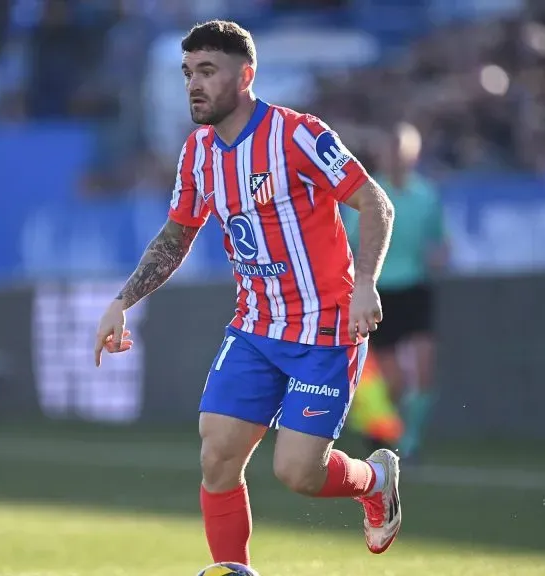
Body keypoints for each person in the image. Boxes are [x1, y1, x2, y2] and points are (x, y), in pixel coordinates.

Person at [93, 21, 400, 566]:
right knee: (217, 457)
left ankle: (375, 480)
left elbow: (375, 202)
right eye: (188, 72)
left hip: (325, 326)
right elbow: (176, 236)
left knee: (298, 472)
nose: (194, 84)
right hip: (255, 327)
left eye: (207, 71)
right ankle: (233, 570)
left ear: (245, 76)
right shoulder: (198, 153)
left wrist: (366, 284)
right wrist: (123, 301)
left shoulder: (298, 135)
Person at [343, 123, 445, 460]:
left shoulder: (426, 195)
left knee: (424, 369)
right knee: (393, 381)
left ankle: (411, 443)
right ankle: (381, 432)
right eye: (391, 151)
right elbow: (350, 241)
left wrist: (439, 255)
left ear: (414, 155)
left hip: (414, 287)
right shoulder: (367, 193)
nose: (397, 158)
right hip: (380, 290)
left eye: (403, 152)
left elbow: (440, 241)